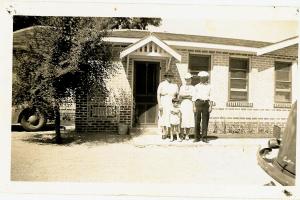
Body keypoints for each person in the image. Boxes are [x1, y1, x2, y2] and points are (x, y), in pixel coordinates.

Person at [157, 71, 178, 139]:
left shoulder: (175, 85)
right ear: (166, 77)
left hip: (172, 103)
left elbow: (177, 95)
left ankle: (170, 133)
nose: (169, 78)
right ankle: (163, 133)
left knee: (170, 117)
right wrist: (160, 104)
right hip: (164, 102)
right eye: (168, 76)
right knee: (163, 117)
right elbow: (158, 95)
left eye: (171, 76)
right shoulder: (162, 84)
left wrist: (176, 105)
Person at [192, 71, 213, 143]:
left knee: (205, 121)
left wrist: (211, 106)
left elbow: (211, 97)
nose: (202, 79)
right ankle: (197, 138)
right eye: (201, 78)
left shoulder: (209, 86)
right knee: (197, 121)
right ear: (199, 78)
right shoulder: (196, 86)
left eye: (204, 78)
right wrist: (194, 107)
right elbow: (194, 97)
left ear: (206, 78)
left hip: (206, 104)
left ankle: (204, 137)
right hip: (198, 103)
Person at [178, 72, 195, 140]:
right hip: (183, 104)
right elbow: (180, 96)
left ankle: (187, 135)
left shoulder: (193, 88)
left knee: (188, 119)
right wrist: (188, 96)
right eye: (187, 79)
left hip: (190, 104)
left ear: (191, 80)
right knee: (182, 119)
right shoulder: (182, 87)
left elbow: (193, 97)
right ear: (185, 79)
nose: (188, 80)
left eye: (189, 79)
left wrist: (185, 96)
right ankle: (182, 134)